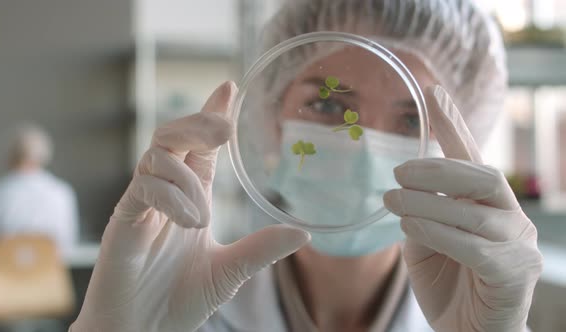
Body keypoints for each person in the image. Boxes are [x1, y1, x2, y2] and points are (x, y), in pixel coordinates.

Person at [71, 0, 543, 331]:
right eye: (329, 106)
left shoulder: (474, 315)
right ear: (268, 120)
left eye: (410, 119)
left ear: (463, 138)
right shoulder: (189, 307)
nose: (363, 150)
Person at [0, 124, 79, 260]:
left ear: (9, 156)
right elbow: (68, 244)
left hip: (2, 277)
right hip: (49, 277)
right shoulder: (62, 192)